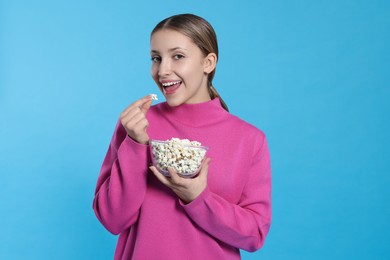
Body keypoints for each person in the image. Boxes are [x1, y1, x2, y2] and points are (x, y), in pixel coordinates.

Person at [93, 13, 272, 260]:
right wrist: (136, 145)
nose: (163, 70)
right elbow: (112, 219)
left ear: (208, 62)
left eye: (178, 56)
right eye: (156, 58)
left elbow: (255, 235)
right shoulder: (137, 125)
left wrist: (198, 198)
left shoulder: (249, 139)